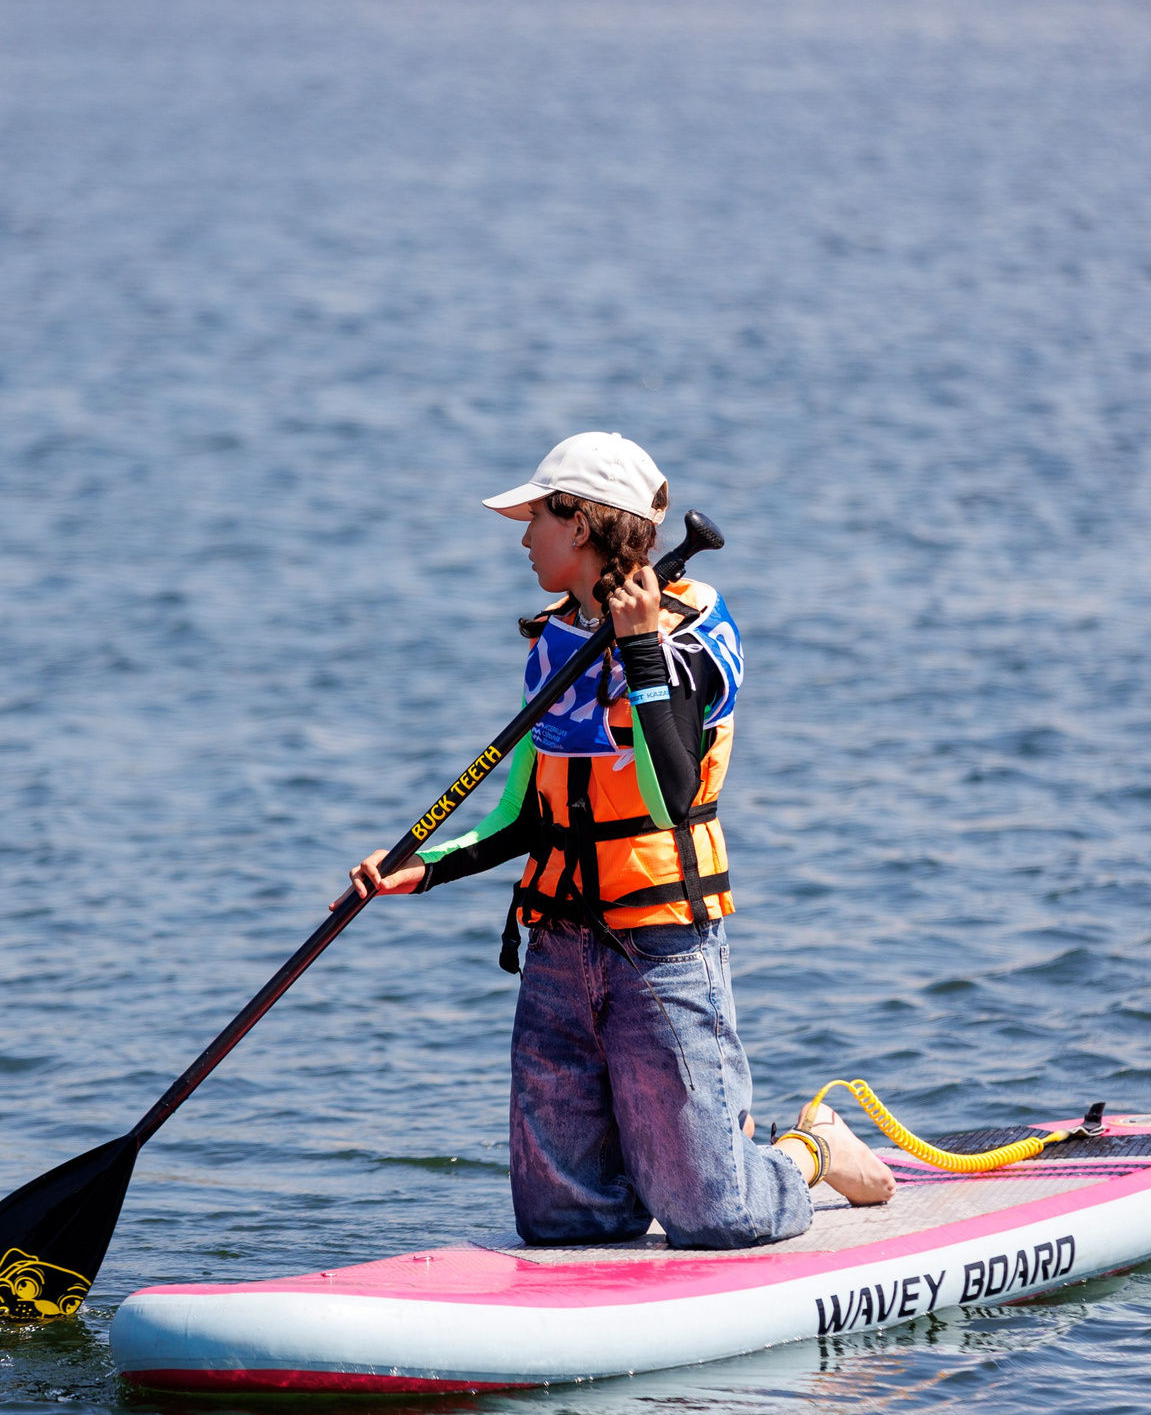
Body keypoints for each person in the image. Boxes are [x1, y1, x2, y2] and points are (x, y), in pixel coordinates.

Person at [349, 432, 892, 1247]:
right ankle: (654, 1170)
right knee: (562, 1219)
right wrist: (418, 870)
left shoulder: (692, 639)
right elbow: (527, 814)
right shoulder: (554, 643)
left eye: (535, 517)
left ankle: (809, 1151)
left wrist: (638, 650)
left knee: (717, 1217)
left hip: (662, 952)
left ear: (582, 525)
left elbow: (671, 794)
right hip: (559, 953)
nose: (524, 536)